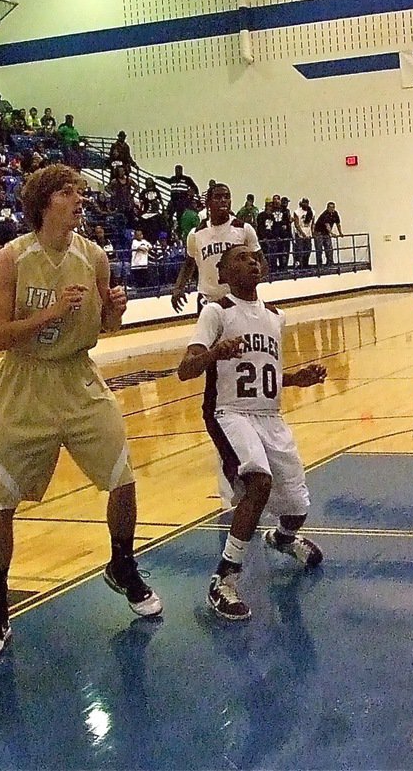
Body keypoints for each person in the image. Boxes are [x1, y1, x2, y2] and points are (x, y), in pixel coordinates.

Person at [0, 164, 162, 662]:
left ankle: (122, 564)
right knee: (2, 502)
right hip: (25, 383)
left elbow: (108, 327)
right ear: (43, 202)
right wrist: (50, 313)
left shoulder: (94, 256)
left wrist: (115, 309)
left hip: (79, 378)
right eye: (67, 191)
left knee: (123, 476)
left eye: (80, 190)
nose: (79, 198)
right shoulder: (13, 257)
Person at [175, 245, 327, 620]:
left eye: (255, 258)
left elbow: (265, 376)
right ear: (223, 274)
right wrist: (215, 353)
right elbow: (185, 369)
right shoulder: (216, 313)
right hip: (229, 414)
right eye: (241, 259)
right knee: (258, 482)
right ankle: (224, 579)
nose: (252, 262)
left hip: (269, 416)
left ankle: (282, 538)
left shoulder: (276, 316)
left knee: (296, 507)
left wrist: (295, 378)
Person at [171, 183, 265, 314]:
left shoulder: (243, 229)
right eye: (218, 197)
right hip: (208, 300)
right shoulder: (196, 234)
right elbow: (189, 264)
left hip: (238, 300)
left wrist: (249, 282)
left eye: (227, 197)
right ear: (208, 203)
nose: (223, 200)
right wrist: (178, 288)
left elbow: (261, 262)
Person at [313, 201, 342, 269]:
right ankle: (319, 265)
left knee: (329, 248)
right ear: (327, 208)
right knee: (319, 249)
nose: (332, 209)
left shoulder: (335, 214)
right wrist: (332, 233)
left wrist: (340, 233)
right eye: (330, 207)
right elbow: (327, 225)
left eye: (333, 207)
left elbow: (338, 224)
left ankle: (330, 263)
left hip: (326, 233)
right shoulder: (325, 214)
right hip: (319, 232)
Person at [292, 198, 314, 269]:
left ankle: (305, 265)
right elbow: (296, 224)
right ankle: (299, 266)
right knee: (299, 251)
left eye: (306, 203)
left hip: (308, 234)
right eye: (304, 203)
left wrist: (312, 233)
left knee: (308, 250)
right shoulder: (297, 212)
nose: (305, 204)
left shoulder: (312, 212)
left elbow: (313, 223)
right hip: (300, 234)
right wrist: (302, 233)